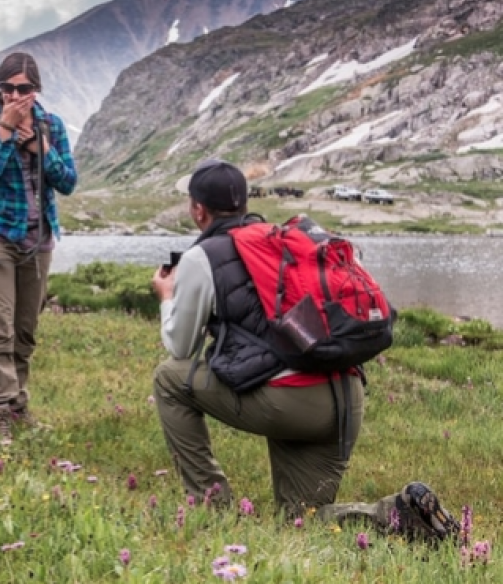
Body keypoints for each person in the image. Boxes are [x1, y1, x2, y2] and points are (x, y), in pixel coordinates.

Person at [150, 158, 460, 541]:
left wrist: (167, 296)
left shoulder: (203, 256)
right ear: (244, 203)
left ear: (198, 210)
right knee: (301, 521)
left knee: (168, 379)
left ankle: (211, 506)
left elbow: (180, 347)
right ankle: (395, 515)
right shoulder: (282, 241)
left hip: (289, 402)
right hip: (344, 400)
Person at [0, 51, 77, 443]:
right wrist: (5, 133)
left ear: (36, 89)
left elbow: (68, 182)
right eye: (7, 88)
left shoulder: (52, 125)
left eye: (23, 88)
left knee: (25, 331)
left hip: (38, 241)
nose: (14, 96)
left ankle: (16, 407)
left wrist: (40, 150)